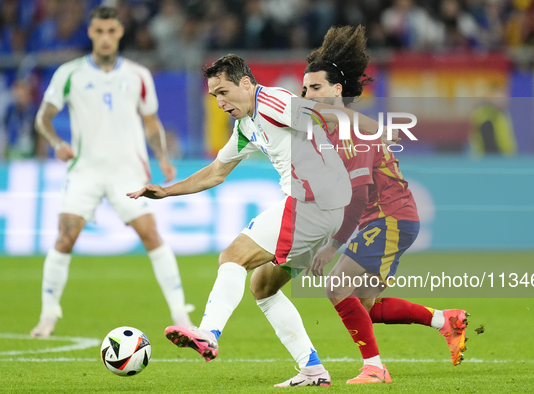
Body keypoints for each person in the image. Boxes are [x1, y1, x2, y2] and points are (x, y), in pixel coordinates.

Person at [128, 53, 392, 387]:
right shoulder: (245, 126)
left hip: (311, 204)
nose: (220, 101)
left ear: (246, 83)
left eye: (224, 92)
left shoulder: (272, 102)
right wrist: (166, 192)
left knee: (232, 257)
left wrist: (370, 131)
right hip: (323, 213)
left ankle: (208, 332)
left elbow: (323, 114)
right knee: (263, 287)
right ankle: (312, 370)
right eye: (214, 96)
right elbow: (216, 173)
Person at [300, 25, 469, 383]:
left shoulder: (352, 131)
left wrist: (332, 246)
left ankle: (375, 368)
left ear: (336, 89)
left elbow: (359, 195)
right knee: (365, 305)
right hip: (387, 220)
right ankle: (445, 320)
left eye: (315, 87)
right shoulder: (337, 129)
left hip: (389, 218)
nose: (307, 95)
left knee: (335, 286)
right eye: (304, 89)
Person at [30, 6, 194, 338]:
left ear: (120, 33)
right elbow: (43, 118)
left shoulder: (137, 75)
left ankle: (182, 316)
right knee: (65, 238)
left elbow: (151, 122)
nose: (105, 38)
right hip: (85, 172)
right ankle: (48, 315)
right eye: (99, 31)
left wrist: (162, 157)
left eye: (111, 32)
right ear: (90, 33)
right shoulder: (70, 73)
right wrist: (57, 143)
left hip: (127, 174)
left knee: (151, 235)